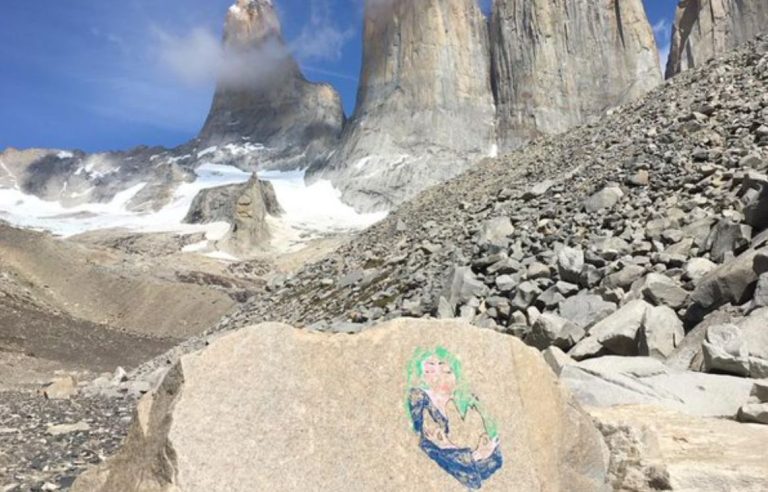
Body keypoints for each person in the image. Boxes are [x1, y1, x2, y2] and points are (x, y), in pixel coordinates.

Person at [406, 347, 503, 489]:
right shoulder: (419, 398)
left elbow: (492, 451)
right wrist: (475, 456)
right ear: (422, 376)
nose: (440, 378)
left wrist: (481, 453)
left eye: (447, 372)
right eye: (430, 371)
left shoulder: (467, 399)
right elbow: (430, 446)